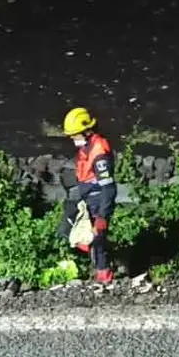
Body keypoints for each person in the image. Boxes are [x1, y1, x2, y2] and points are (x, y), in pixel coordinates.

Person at [57, 106, 116, 284]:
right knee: (67, 230)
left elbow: (108, 186)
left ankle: (103, 275)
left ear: (86, 130)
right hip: (88, 198)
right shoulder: (87, 147)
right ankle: (100, 263)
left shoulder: (99, 153)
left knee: (96, 238)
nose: (72, 138)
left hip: (98, 200)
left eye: (75, 134)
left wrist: (102, 216)